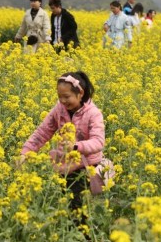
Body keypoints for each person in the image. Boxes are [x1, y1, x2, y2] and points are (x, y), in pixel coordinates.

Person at [18, 71, 104, 228]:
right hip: (64, 166)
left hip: (87, 167)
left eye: (67, 97)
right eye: (60, 97)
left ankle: (82, 236)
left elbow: (98, 142)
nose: (63, 101)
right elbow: (42, 132)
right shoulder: (59, 109)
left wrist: (76, 146)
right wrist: (26, 152)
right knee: (62, 204)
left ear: (80, 94)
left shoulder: (93, 113)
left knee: (78, 209)